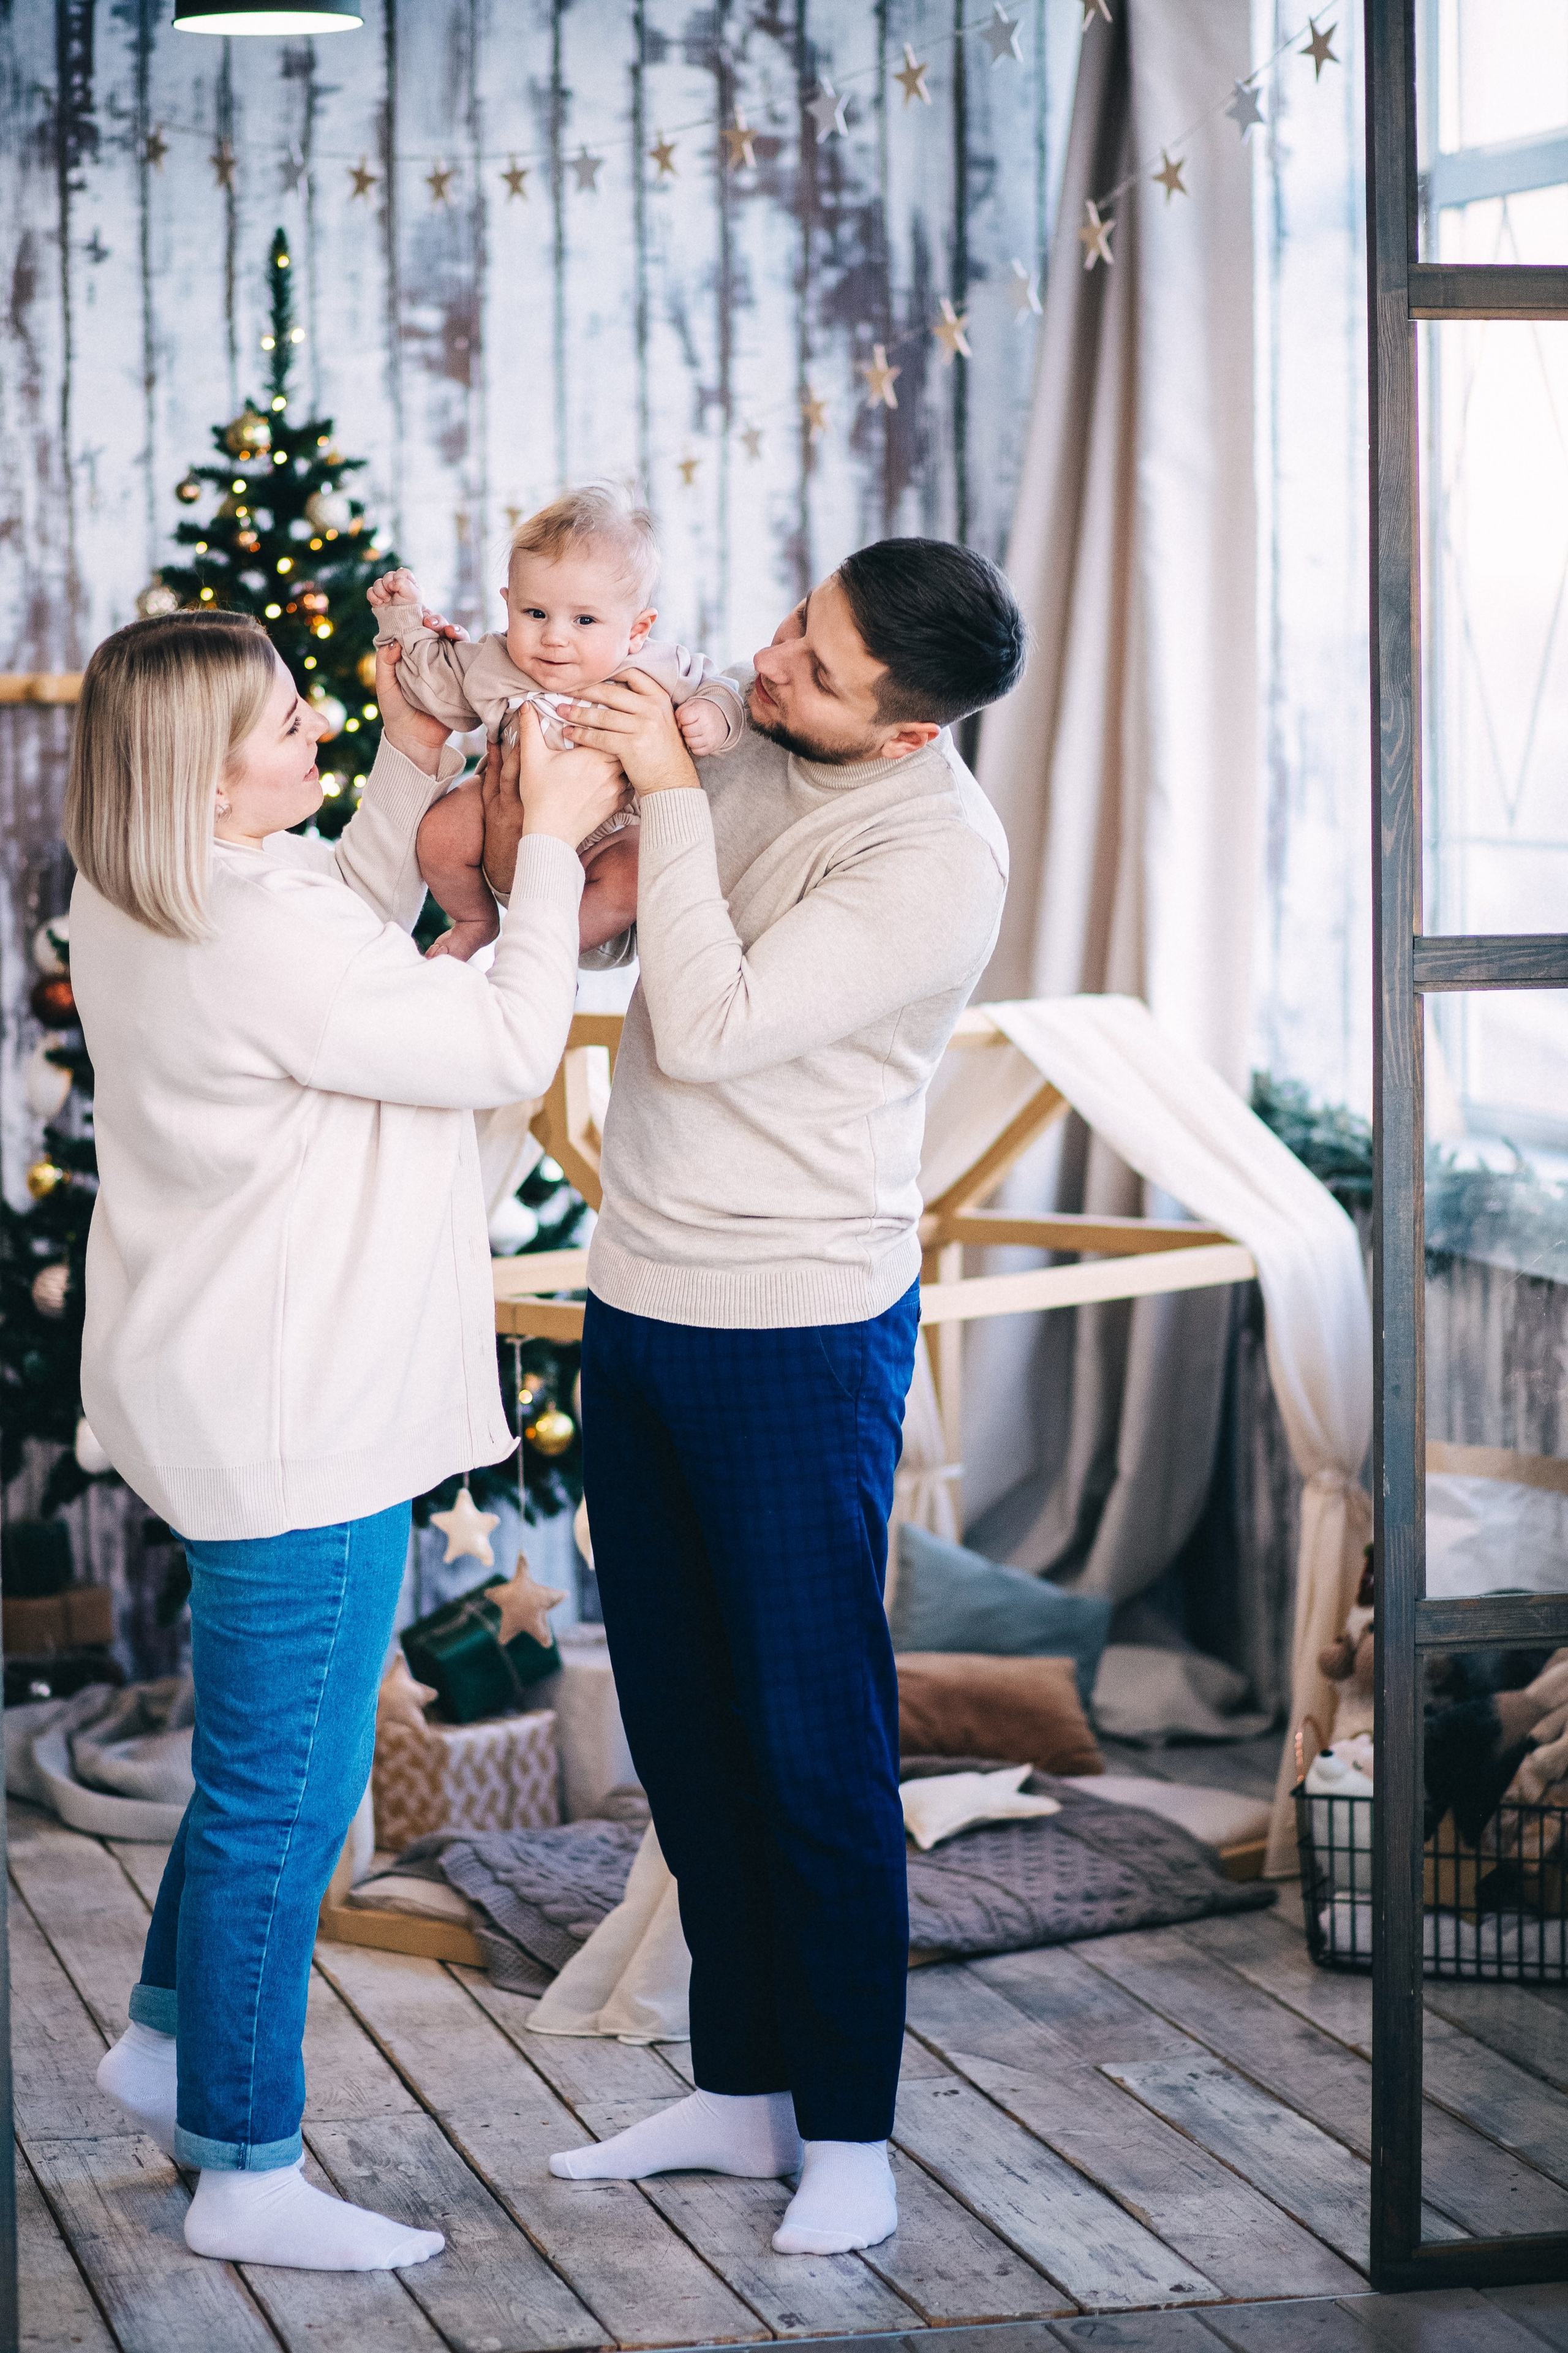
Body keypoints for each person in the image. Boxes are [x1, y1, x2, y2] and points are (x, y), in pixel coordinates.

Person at [479, 537, 1027, 2258]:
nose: (780, 662)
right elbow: (588, 923)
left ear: (909, 733)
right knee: (687, 1730)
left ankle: (850, 2128)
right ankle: (740, 2086)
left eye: (826, 668)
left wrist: (675, 788)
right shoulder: (759, 731)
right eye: (802, 620)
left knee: (812, 1747)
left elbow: (705, 1027)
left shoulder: (933, 862)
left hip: (799, 1328)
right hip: (639, 1300)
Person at [71, 608, 622, 2272]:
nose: (313, 727)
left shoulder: (149, 890)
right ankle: (245, 2166)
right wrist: (549, 858)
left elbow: (336, 899)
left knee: (258, 1776)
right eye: (286, 720)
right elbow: (505, 1042)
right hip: (296, 1414)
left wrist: (399, 752)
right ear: (198, 769)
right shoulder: (252, 931)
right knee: (288, 1803)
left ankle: (171, 2045)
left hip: (229, 1383)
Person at [371, 485, 745, 959]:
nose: (553, 638)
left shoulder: (655, 667)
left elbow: (720, 687)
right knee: (440, 833)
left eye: (584, 621)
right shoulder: (494, 660)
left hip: (606, 832)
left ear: (636, 630)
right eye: (535, 613)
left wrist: (711, 715)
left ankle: (547, 953)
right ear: (508, 604)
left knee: (633, 871)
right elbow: (434, 683)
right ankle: (476, 918)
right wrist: (404, 621)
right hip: (502, 808)